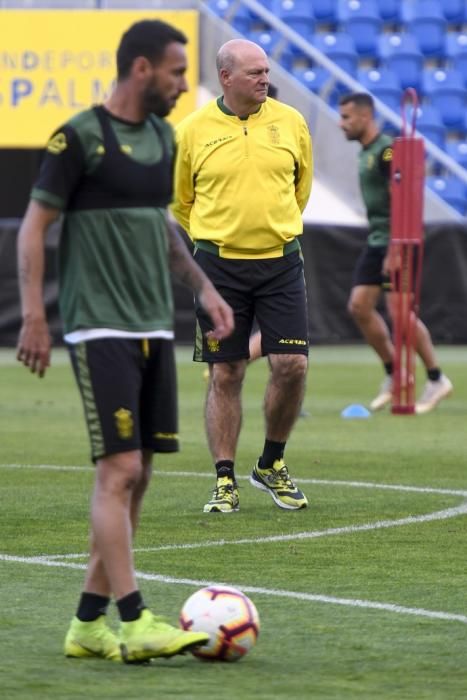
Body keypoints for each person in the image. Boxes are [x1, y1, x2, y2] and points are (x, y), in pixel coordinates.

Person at [16, 19, 233, 664]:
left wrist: (204, 287)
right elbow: (32, 229)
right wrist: (35, 314)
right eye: (174, 71)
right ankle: (134, 618)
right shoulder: (79, 136)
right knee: (121, 469)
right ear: (141, 68)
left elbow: (161, 227)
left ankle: (87, 624)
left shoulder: (164, 138)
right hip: (99, 324)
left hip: (150, 326)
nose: (179, 83)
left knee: (140, 477)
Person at [171, 39, 313, 513]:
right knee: (227, 371)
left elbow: (301, 187)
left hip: (281, 261)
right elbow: (180, 201)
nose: (264, 80)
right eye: (254, 72)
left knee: (292, 366)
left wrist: (271, 226)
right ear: (226, 77)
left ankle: (271, 463)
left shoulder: (291, 122)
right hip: (218, 267)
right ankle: (224, 479)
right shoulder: (192, 130)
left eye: (266, 71)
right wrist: (214, 241)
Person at [338, 92, 452, 414]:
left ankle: (435, 378)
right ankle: (395, 373)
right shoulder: (366, 152)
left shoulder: (388, 152)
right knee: (359, 306)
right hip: (377, 240)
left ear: (365, 116)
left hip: (397, 241)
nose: (340, 123)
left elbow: (402, 200)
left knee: (401, 315)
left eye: (346, 117)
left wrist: (395, 249)